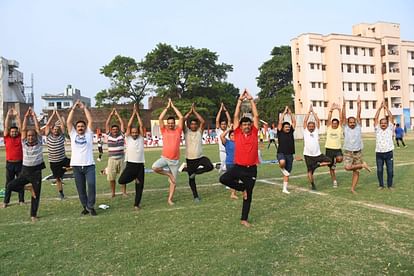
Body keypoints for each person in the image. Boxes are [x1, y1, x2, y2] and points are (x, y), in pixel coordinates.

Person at [219, 89, 259, 227]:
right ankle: (242, 188)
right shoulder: (237, 134)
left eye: (248, 124)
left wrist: (252, 100)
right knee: (223, 178)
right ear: (241, 127)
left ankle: (244, 219)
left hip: (251, 170)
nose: (247, 126)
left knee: (248, 196)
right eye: (244, 124)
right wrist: (240, 101)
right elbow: (236, 116)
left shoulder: (254, 132)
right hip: (238, 167)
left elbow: (256, 115)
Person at [2, 107, 44, 222]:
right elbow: (23, 128)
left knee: (36, 195)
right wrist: (25, 117)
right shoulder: (24, 142)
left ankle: (33, 215)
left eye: (32, 135)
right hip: (25, 171)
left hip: (36, 172)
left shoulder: (39, 142)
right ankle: (27, 188)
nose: (30, 137)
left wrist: (33, 117)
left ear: (36, 136)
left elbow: (37, 128)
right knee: (10, 185)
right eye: (29, 135)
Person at [67, 100, 97, 216]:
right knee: (81, 188)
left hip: (89, 165)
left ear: (85, 128)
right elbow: (69, 122)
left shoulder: (89, 134)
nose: (80, 128)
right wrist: (74, 109)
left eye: (82, 126)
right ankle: (85, 206)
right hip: (76, 166)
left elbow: (90, 120)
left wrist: (84, 108)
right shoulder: (73, 134)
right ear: (76, 128)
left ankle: (91, 206)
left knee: (91, 185)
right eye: (78, 126)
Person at [152, 98, 184, 206]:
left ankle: (170, 199)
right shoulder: (164, 130)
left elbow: (181, 117)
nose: (170, 124)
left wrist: (173, 106)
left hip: (174, 161)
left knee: (174, 182)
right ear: (167, 124)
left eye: (172, 123)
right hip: (165, 158)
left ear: (174, 123)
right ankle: (168, 174)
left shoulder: (178, 130)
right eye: (169, 123)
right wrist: (167, 107)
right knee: (155, 167)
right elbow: (160, 118)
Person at [180, 104, 214, 202]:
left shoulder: (199, 131)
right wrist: (189, 113)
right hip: (190, 159)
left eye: (195, 124)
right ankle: (195, 196)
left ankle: (195, 172)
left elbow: (203, 121)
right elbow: (182, 120)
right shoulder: (186, 131)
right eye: (192, 124)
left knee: (210, 166)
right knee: (191, 180)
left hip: (200, 157)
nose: (194, 125)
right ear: (189, 125)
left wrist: (194, 111)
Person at [118, 104, 145, 209]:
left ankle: (136, 204)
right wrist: (133, 113)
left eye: (136, 132)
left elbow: (142, 126)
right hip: (130, 164)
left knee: (140, 186)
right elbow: (128, 126)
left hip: (140, 165)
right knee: (121, 180)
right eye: (133, 132)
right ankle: (134, 177)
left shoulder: (141, 138)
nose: (134, 134)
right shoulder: (128, 138)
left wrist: (137, 114)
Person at [342, 96, 371, 194]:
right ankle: (363, 165)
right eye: (350, 122)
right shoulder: (345, 127)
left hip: (358, 151)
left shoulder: (358, 126)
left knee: (356, 171)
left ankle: (352, 188)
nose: (352, 124)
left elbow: (359, 114)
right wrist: (344, 105)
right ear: (347, 123)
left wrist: (359, 104)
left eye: (353, 122)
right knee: (347, 167)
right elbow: (343, 116)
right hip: (348, 152)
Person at [303, 105, 331, 191]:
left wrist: (313, 112)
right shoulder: (305, 131)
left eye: (312, 126)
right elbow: (305, 121)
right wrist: (309, 112)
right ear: (307, 127)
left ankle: (318, 164)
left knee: (330, 161)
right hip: (308, 155)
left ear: (314, 127)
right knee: (310, 171)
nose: (311, 127)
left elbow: (318, 121)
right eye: (310, 126)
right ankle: (312, 185)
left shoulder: (316, 131)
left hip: (317, 154)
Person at [44, 109, 70, 199]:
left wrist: (57, 114)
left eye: (57, 129)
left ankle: (66, 168)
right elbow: (47, 125)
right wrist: (52, 115)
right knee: (58, 178)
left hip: (63, 160)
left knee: (76, 164)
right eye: (54, 129)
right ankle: (61, 193)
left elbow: (63, 125)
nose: (56, 130)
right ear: (52, 130)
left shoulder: (61, 136)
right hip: (54, 162)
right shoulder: (48, 136)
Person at [3, 107, 25, 204]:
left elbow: (21, 127)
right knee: (8, 183)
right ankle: (6, 202)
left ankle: (21, 200)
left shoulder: (20, 137)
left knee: (20, 182)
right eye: (12, 131)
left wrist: (17, 116)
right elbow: (6, 126)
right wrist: (8, 115)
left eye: (15, 131)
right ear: (9, 132)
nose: (14, 132)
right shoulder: (7, 138)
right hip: (10, 164)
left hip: (20, 164)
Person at [105, 108, 126, 197]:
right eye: (113, 129)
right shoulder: (108, 135)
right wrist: (111, 115)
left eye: (116, 129)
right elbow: (107, 124)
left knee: (123, 177)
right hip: (112, 159)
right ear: (111, 130)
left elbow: (122, 124)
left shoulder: (121, 135)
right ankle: (113, 193)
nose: (115, 130)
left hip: (121, 159)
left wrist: (117, 115)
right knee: (112, 177)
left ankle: (124, 192)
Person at [374, 102, 394, 189]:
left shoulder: (390, 128)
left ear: (387, 124)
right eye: (381, 123)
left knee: (390, 171)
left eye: (385, 123)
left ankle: (390, 185)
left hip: (389, 153)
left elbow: (391, 117)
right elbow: (375, 118)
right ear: (379, 124)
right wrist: (379, 109)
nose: (383, 124)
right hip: (379, 153)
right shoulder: (377, 129)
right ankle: (381, 185)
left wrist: (386, 108)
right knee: (379, 170)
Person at [276, 106, 296, 194]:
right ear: (283, 128)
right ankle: (281, 168)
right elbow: (280, 121)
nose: (287, 128)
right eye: (286, 127)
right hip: (281, 153)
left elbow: (294, 121)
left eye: (288, 127)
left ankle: (284, 189)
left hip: (290, 154)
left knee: (287, 173)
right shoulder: (280, 132)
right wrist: (284, 112)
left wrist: (290, 113)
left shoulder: (291, 131)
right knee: (282, 162)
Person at [325, 103, 344, 188]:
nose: (334, 124)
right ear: (331, 124)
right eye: (333, 123)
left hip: (337, 149)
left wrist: (339, 109)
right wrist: (331, 110)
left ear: (338, 124)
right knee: (331, 167)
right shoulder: (329, 128)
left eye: (336, 123)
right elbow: (329, 118)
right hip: (329, 149)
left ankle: (335, 161)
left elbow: (342, 118)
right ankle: (334, 181)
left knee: (340, 159)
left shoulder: (340, 128)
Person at [220, 126, 238, 199]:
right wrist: (229, 129)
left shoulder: (239, 142)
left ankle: (235, 193)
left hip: (238, 163)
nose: (233, 136)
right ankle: (232, 194)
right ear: (229, 136)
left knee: (237, 179)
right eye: (232, 135)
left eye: (235, 135)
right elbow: (221, 136)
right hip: (230, 163)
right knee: (232, 179)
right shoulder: (227, 142)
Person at [215, 102, 232, 174]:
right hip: (222, 152)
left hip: (230, 151)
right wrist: (220, 109)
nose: (224, 125)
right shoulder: (218, 131)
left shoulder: (228, 130)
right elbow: (217, 120)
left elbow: (229, 119)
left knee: (230, 166)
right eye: (222, 124)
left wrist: (225, 110)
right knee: (225, 168)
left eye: (225, 124)